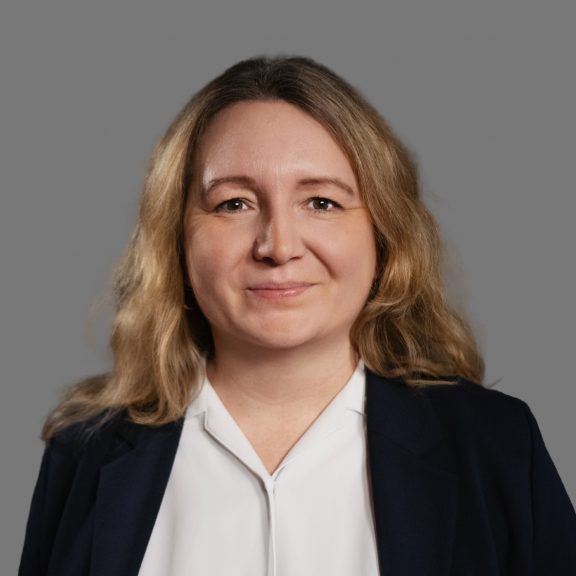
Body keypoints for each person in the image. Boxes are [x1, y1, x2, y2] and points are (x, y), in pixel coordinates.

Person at [19, 56, 576, 576]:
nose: (279, 246)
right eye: (234, 203)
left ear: (383, 235)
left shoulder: (497, 446)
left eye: (321, 202)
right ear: (176, 238)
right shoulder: (82, 455)